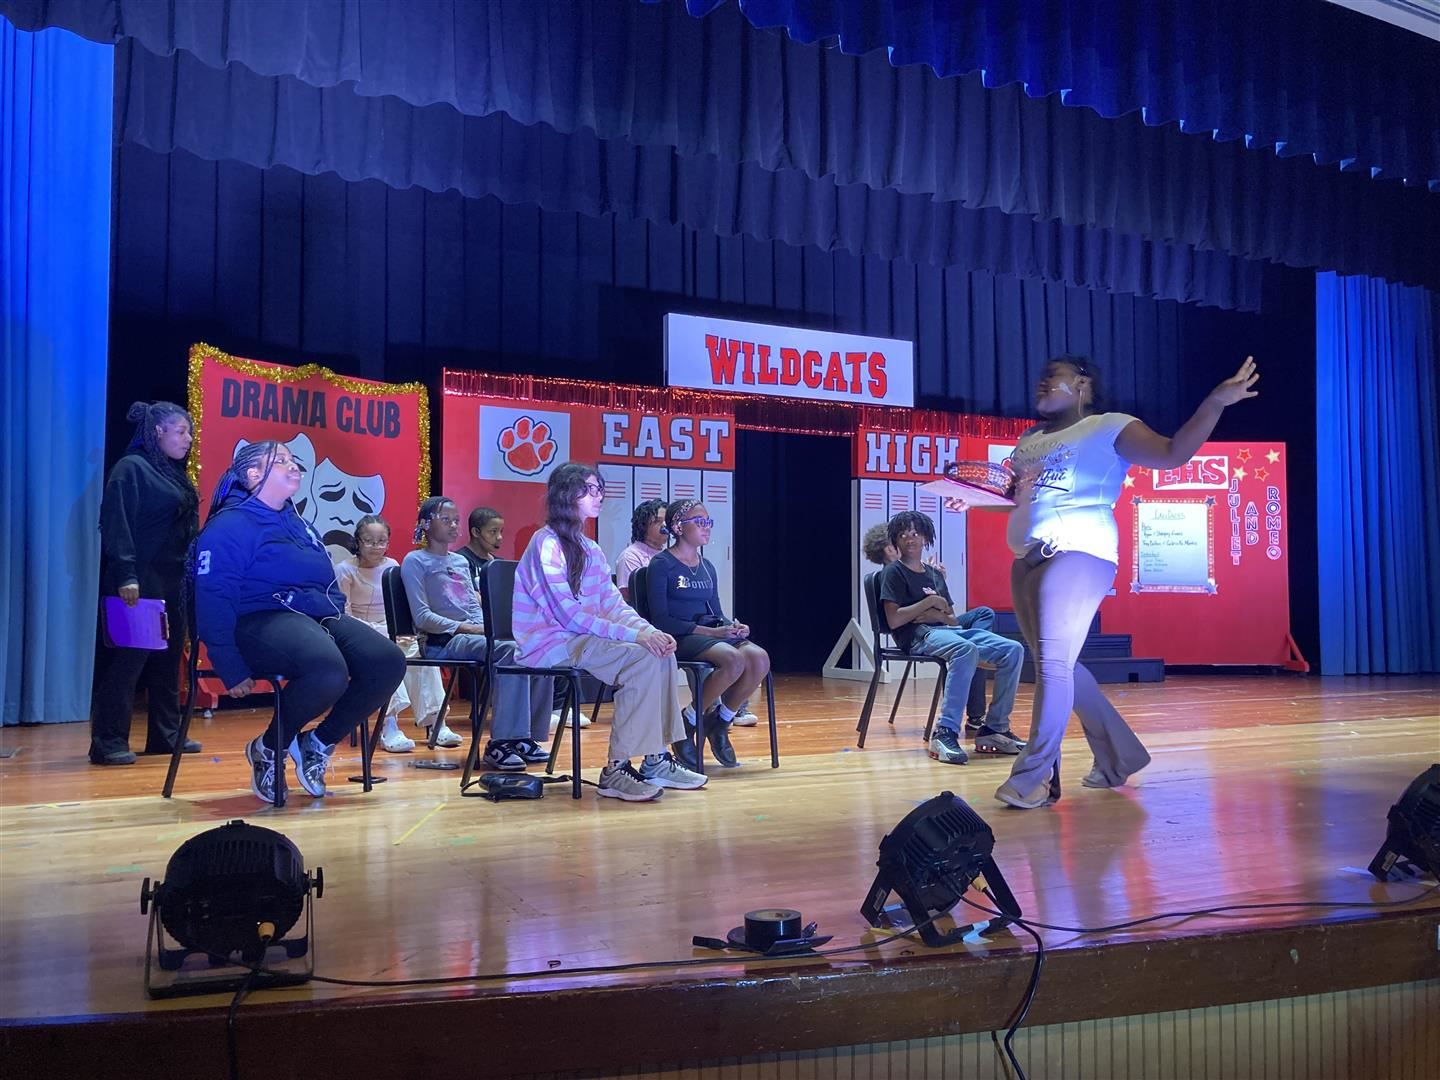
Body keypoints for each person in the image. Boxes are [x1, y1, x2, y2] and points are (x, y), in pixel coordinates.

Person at [952, 354, 1259, 809]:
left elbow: (1173, 454)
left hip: (1079, 552)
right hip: (1026, 560)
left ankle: (1034, 777)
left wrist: (1215, 401)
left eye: (1052, 376)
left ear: (1082, 383)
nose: (1041, 382)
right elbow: (1020, 498)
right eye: (1041, 376)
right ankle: (1120, 755)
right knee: (1062, 666)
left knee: (1053, 666)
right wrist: (974, 500)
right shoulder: (1030, 439)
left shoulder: (1110, 426)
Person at [192, 441, 407, 804]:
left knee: (387, 661)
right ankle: (269, 748)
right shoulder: (229, 525)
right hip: (256, 619)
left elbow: (326, 581)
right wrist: (228, 665)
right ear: (253, 475)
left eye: (293, 460)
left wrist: (335, 610)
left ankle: (317, 743)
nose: (292, 465)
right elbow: (212, 597)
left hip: (315, 616)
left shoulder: (300, 524)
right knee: (327, 668)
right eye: (280, 461)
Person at [513, 462, 706, 801]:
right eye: (591, 489)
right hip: (550, 642)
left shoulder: (591, 549)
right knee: (641, 659)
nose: (599, 495)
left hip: (580, 638)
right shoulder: (545, 544)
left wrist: (649, 632)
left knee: (660, 652)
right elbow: (568, 616)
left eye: (600, 489)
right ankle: (616, 770)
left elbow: (613, 605)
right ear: (566, 495)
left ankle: (656, 759)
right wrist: (636, 637)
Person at [401, 496, 553, 770]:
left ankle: (525, 737)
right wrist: (471, 629)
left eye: (456, 520)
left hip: (472, 636)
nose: (453, 525)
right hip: (442, 640)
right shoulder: (415, 561)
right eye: (445, 520)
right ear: (425, 524)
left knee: (537, 647)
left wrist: (490, 629)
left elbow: (472, 605)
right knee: (510, 651)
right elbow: (422, 617)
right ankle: (500, 743)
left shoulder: (460, 562)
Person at [91, 401, 202, 765]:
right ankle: (107, 741)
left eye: (189, 432)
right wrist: (126, 574)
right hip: (139, 578)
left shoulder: (170, 472)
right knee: (129, 660)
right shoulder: (131, 468)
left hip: (172, 579)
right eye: (181, 431)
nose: (188, 438)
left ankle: (165, 735)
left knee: (168, 660)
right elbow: (116, 523)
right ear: (158, 432)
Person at [877, 511, 1025, 765]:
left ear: (926, 538)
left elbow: (952, 619)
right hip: (918, 636)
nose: (910, 539)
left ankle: (995, 729)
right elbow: (894, 620)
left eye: (915, 533)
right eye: (903, 535)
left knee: (1013, 649)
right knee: (965, 649)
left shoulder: (934, 575)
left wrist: (934, 613)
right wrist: (930, 602)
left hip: (947, 631)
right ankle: (945, 732)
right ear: (895, 540)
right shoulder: (894, 572)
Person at [645, 498, 771, 769]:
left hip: (710, 634)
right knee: (733, 659)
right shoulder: (662, 564)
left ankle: (720, 722)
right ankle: (688, 721)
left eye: (708, 522)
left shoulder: (707, 566)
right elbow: (661, 620)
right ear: (678, 527)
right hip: (681, 636)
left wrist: (733, 627)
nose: (707, 527)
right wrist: (714, 634)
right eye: (700, 522)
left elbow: (717, 613)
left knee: (759, 658)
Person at [332, 515, 446, 753]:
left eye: (381, 541)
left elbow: (399, 607)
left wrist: (403, 630)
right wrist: (379, 631)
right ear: (358, 541)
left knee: (422, 656)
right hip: (360, 634)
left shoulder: (392, 566)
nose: (376, 547)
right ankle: (389, 725)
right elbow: (343, 615)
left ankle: (437, 722)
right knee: (387, 658)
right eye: (369, 541)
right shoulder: (345, 570)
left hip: (390, 629)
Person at [614, 499, 666, 604]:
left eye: (666, 521)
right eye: (657, 521)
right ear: (643, 526)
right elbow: (631, 598)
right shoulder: (630, 556)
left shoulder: (670, 555)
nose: (664, 525)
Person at [457, 506, 504, 592]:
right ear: (475, 532)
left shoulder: (499, 563)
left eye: (501, 531)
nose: (499, 537)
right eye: (493, 531)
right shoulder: (460, 560)